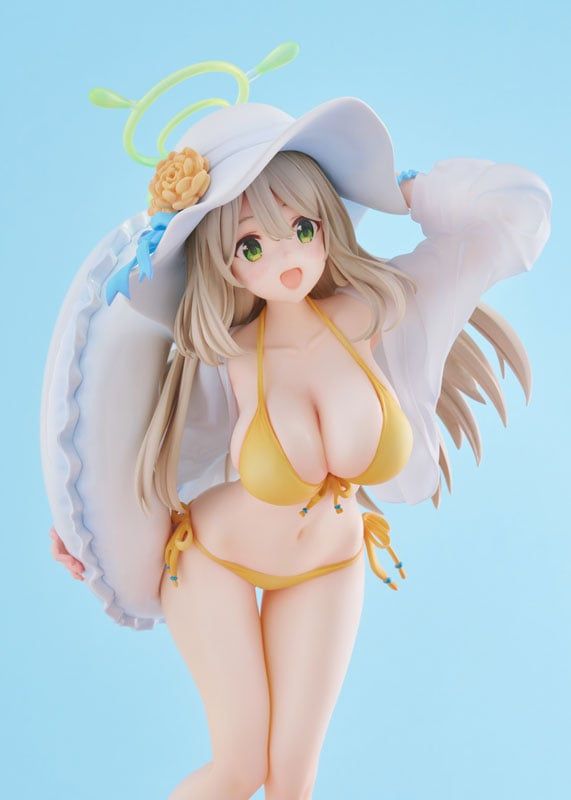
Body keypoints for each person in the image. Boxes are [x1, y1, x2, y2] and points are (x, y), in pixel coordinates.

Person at [43, 57, 552, 800]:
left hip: (332, 565)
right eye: (250, 245)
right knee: (238, 770)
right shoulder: (225, 355)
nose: (283, 258)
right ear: (224, 266)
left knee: (292, 785)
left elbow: (516, 211)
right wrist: (87, 526)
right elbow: (150, 451)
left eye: (301, 227)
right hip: (212, 561)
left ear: (326, 223)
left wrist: (403, 190)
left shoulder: (384, 310)